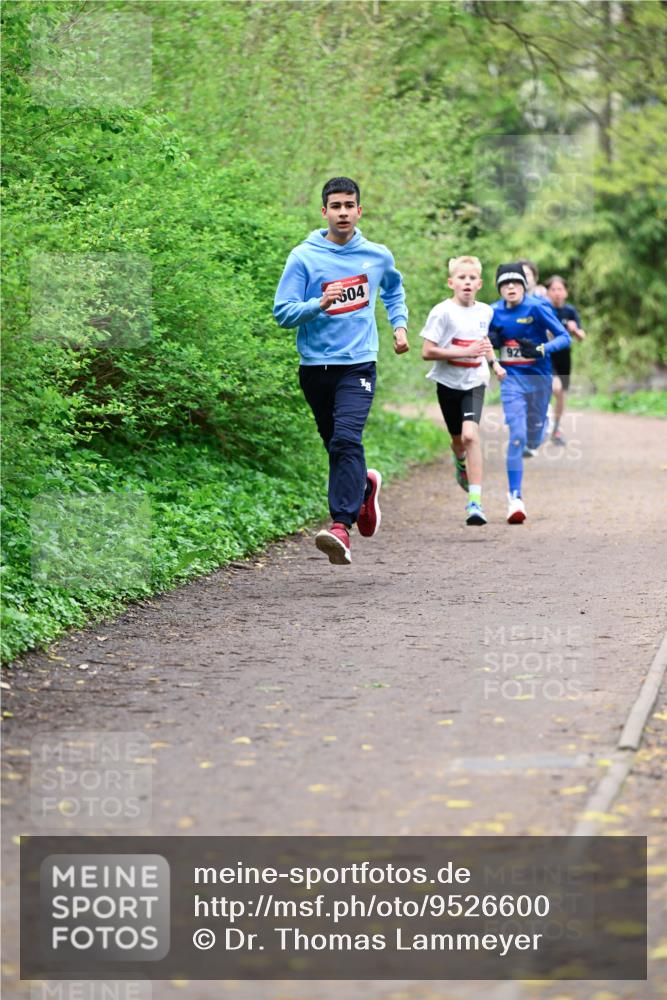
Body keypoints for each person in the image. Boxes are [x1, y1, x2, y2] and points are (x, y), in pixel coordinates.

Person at [273, 176, 409, 565]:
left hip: (359, 364)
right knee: (337, 446)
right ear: (324, 212)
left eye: (350, 205)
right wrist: (318, 303)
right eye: (336, 206)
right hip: (315, 368)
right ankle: (364, 486)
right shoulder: (303, 257)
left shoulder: (377, 256)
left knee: (346, 440)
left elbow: (394, 289)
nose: (343, 212)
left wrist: (399, 325)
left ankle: (339, 527)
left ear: (359, 210)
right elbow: (282, 312)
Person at [420, 255, 506, 526]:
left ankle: (475, 502)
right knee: (458, 441)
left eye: (471, 279)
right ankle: (459, 462)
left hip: (474, 381)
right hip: (447, 383)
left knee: (471, 435)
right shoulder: (442, 312)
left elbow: (484, 341)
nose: (466, 283)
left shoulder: (485, 311)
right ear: (451, 282)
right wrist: (463, 351)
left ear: (479, 284)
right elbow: (427, 351)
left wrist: (494, 363)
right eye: (461, 278)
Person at [490, 263, 571, 523]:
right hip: (511, 380)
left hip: (539, 379)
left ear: (524, 286)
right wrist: (493, 342)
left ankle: (543, 427)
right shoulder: (492, 311)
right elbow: (481, 340)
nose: (511, 287)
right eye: (505, 284)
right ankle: (515, 498)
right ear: (499, 288)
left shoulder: (537, 307)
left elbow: (564, 337)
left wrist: (540, 349)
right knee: (517, 436)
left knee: (533, 439)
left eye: (516, 283)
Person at [545, 275, 586, 445]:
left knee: (561, 395)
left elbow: (582, 336)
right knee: (555, 388)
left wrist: (574, 330)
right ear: (547, 292)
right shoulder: (544, 309)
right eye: (553, 289)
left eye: (560, 289)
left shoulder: (570, 311)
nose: (556, 293)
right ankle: (542, 423)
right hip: (547, 356)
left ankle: (556, 429)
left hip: (564, 357)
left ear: (566, 292)